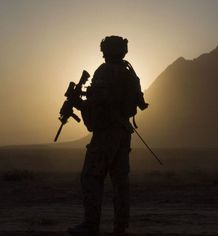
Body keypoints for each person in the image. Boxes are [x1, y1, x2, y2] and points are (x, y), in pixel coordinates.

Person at [69, 36, 148, 236]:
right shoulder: (128, 73)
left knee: (91, 178)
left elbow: (99, 104)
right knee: (120, 182)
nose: (102, 53)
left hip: (106, 134)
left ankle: (90, 226)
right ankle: (120, 227)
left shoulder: (105, 71)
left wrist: (79, 104)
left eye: (104, 49)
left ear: (109, 50)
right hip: (123, 133)